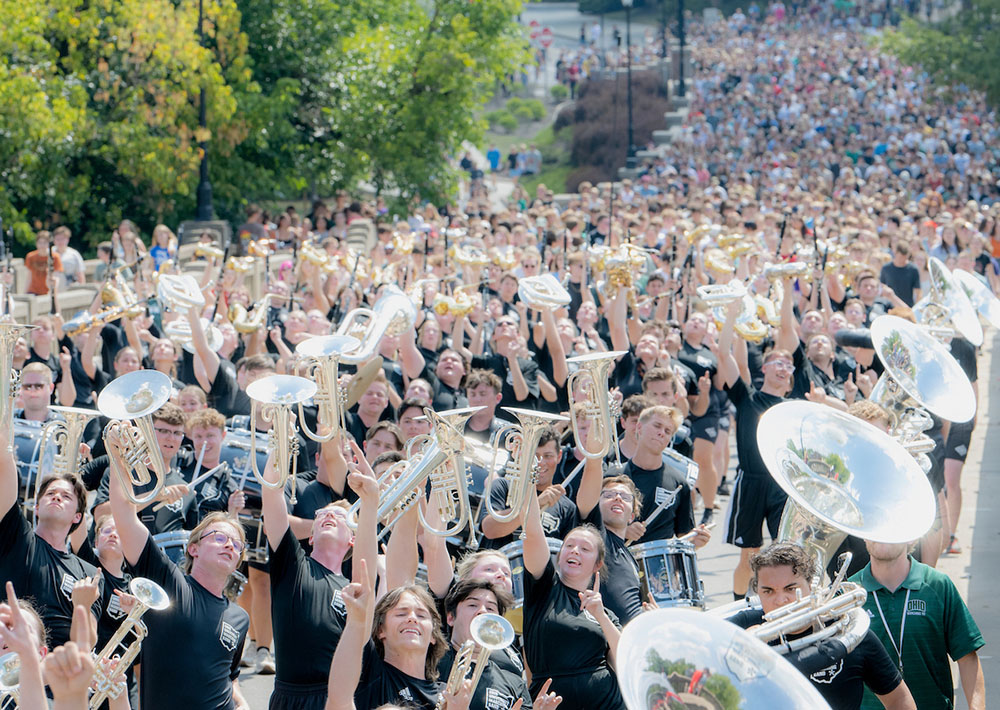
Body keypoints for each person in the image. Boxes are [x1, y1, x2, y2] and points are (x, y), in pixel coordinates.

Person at [108, 413, 251, 710]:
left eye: (236, 545)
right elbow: (123, 515)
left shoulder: (240, 618)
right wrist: (117, 456)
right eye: (220, 538)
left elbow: (229, 678)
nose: (229, 546)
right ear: (194, 549)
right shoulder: (170, 584)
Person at [261, 433, 379, 710]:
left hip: (338, 700)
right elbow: (271, 495)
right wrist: (279, 443)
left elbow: (367, 563)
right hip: (290, 697)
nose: (326, 515)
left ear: (352, 538)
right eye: (320, 515)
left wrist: (371, 501)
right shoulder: (293, 565)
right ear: (310, 536)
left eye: (337, 516)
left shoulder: (352, 585)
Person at [729, 542, 917, 710]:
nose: (780, 600)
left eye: (791, 589)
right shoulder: (743, 627)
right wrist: (738, 649)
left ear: (811, 586)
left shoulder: (846, 630)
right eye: (768, 591)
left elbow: (898, 699)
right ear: (757, 590)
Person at [716, 297, 794, 600]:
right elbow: (724, 355)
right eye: (777, 362)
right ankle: (739, 606)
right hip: (749, 481)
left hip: (782, 485)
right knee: (749, 553)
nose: (783, 368)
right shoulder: (748, 399)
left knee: (786, 551)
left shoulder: (792, 407)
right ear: (765, 368)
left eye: (788, 365)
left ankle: (785, 605)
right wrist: (732, 315)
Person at [849, 540, 986, 710]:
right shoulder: (847, 595)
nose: (883, 536)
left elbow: (967, 658)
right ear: (864, 535)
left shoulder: (938, 585)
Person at [522, 487, 624, 710]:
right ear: (559, 557)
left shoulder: (606, 614)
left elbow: (626, 659)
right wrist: (528, 480)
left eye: (585, 548)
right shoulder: (544, 589)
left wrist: (601, 616)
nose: (575, 551)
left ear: (598, 564)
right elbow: (532, 532)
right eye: (569, 545)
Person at [0, 437, 103, 652]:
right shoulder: (18, 536)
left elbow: (84, 646)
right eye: (50, 493)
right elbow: (5, 465)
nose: (57, 497)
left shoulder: (89, 573)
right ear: (36, 508)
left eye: (66, 496)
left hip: (54, 675)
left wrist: (82, 606)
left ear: (77, 517)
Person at [620, 405, 696, 545]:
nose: (661, 433)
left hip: (661, 564)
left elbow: (684, 535)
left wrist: (695, 541)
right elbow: (596, 526)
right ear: (639, 427)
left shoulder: (679, 483)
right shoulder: (615, 476)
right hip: (620, 562)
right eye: (657, 426)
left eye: (668, 431)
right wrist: (622, 531)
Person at [25, 230, 63, 296]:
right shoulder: (30, 256)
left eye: (45, 242)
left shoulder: (55, 257)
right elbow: (29, 277)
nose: (42, 245)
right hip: (33, 291)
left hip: (48, 291)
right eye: (40, 242)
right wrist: (25, 292)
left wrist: (54, 290)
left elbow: (57, 276)